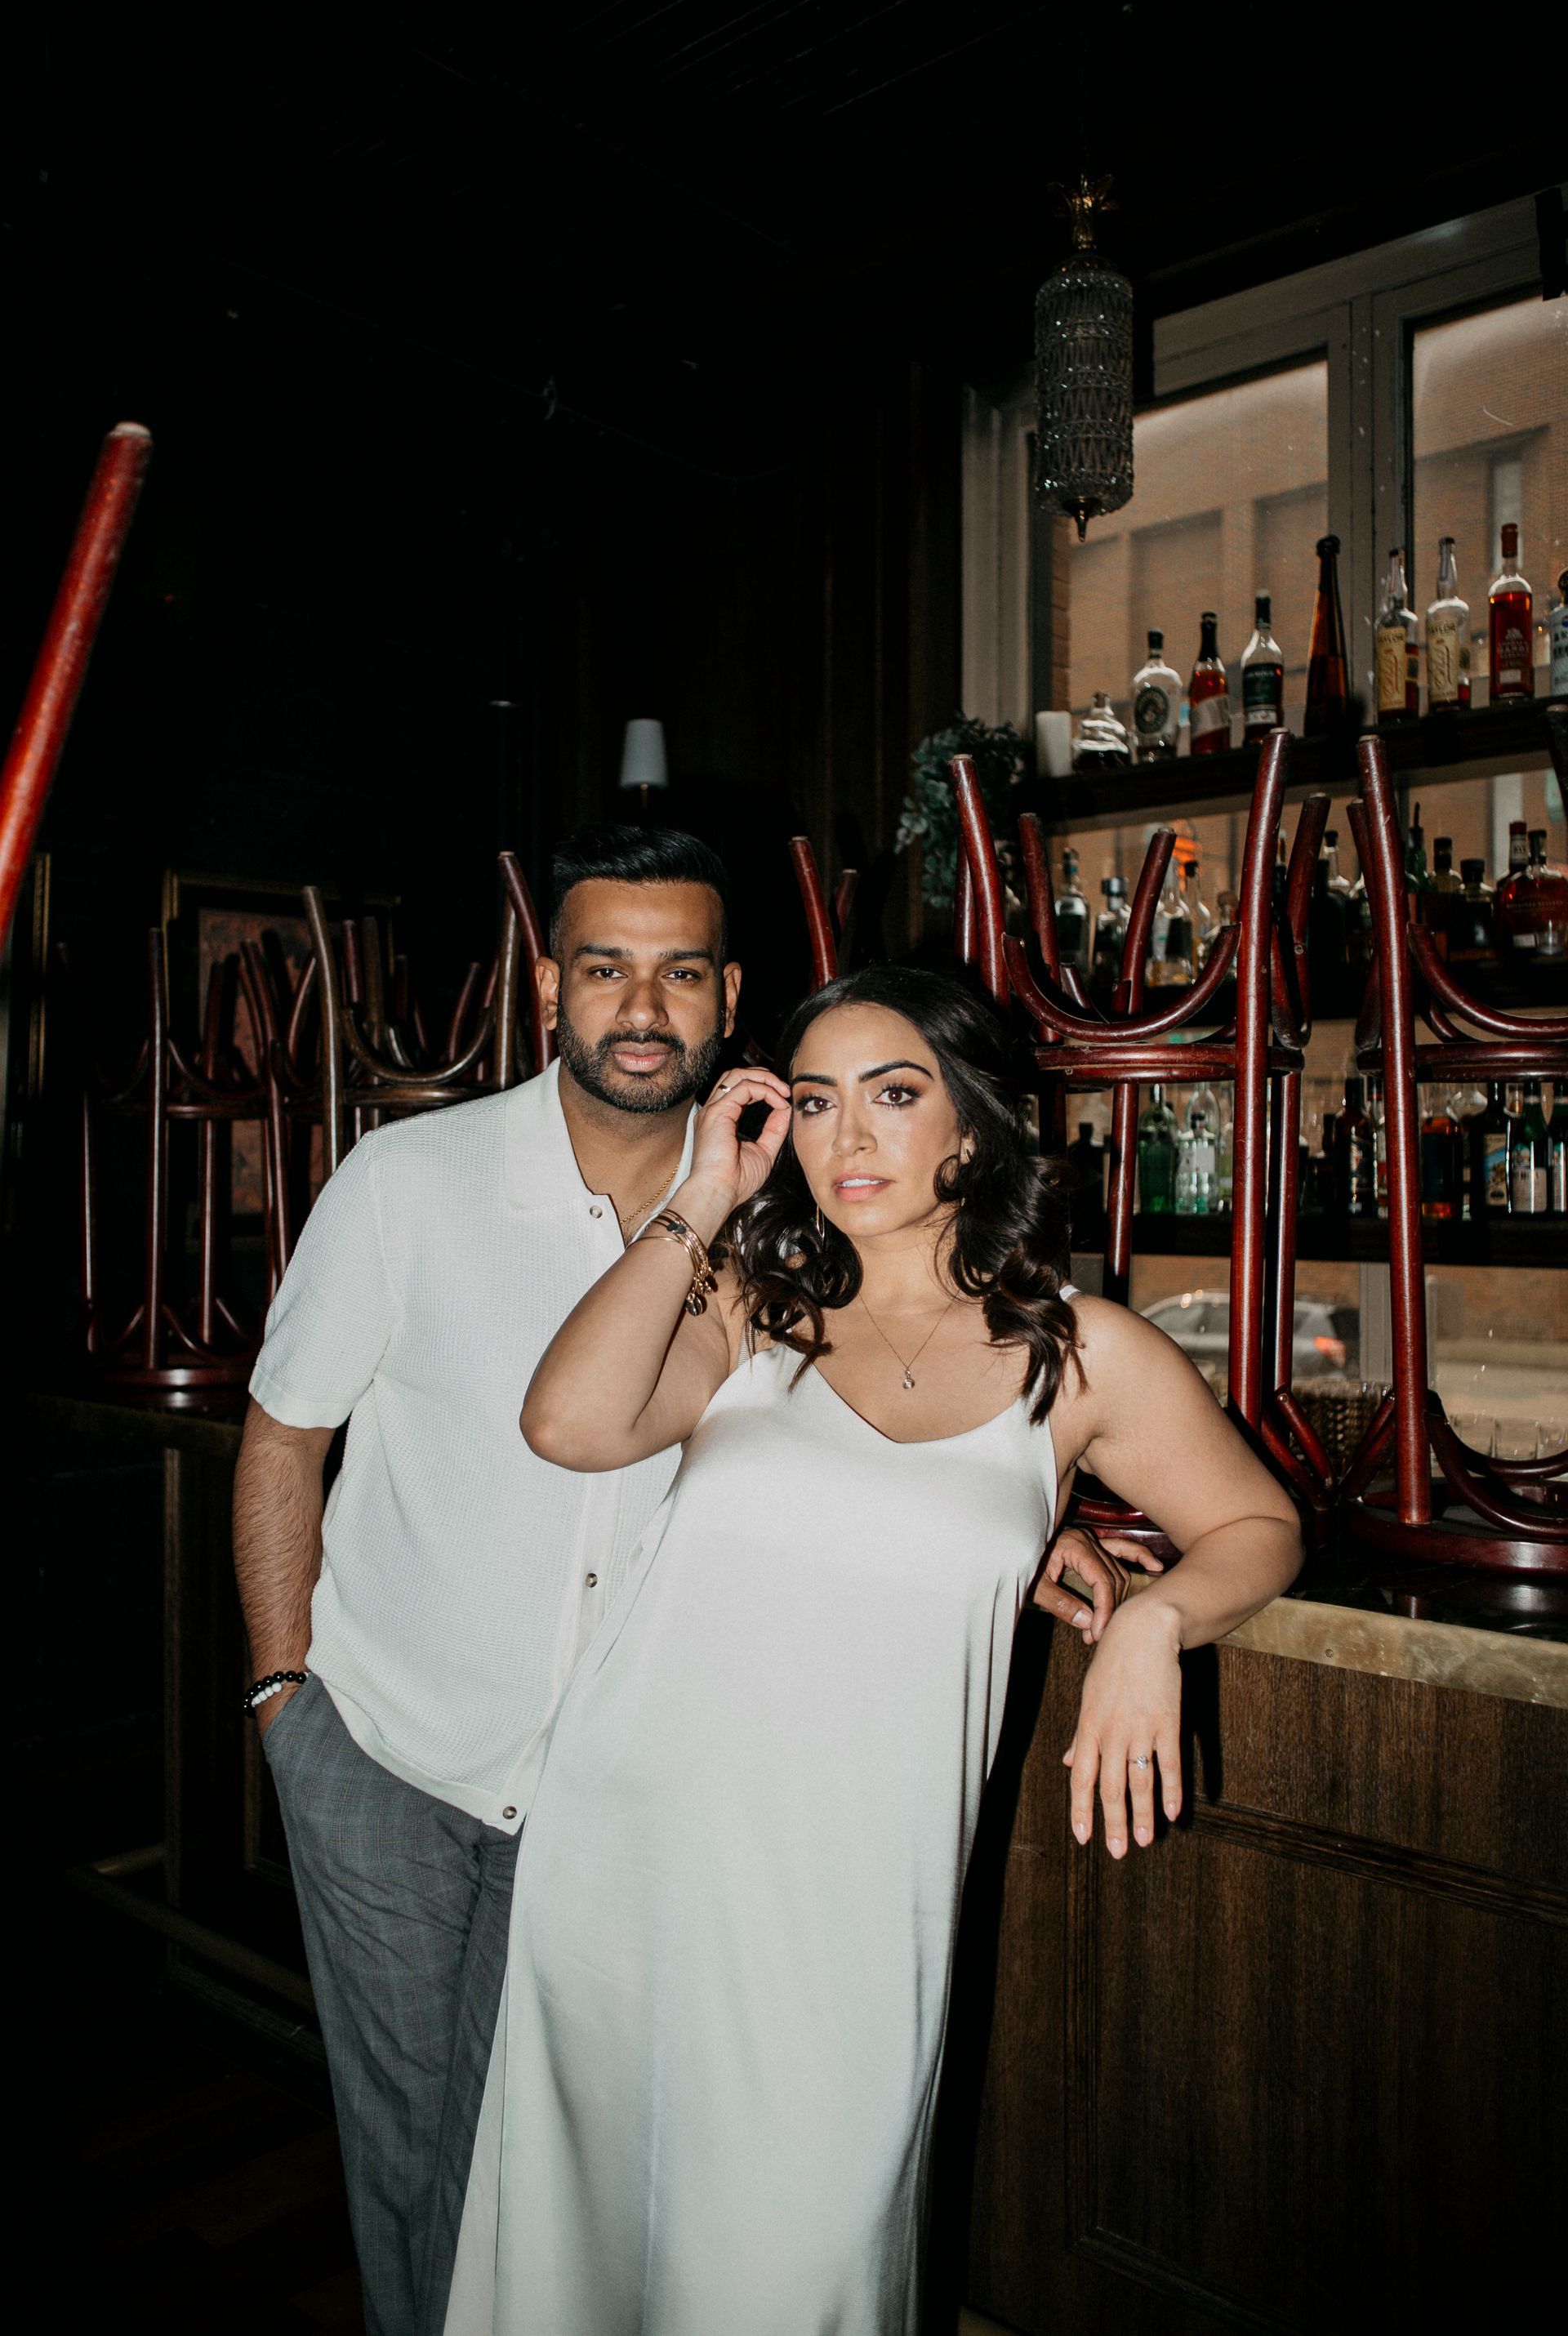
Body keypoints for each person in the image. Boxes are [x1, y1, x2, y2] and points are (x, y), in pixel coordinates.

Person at [444, 963, 1303, 2336]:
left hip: (851, 1913)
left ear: (968, 1126)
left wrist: (1155, 1617)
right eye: (817, 1102)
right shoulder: (752, 1306)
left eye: (893, 1097)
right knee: (587, 2272)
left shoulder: (1077, 1358)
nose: (847, 1139)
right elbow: (568, 1421)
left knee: (803, 2270)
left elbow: (1258, 1523)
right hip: (629, 1869)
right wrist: (704, 1197)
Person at [230, 823, 747, 2336]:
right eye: (605, 968)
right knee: (414, 2176)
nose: (641, 1007)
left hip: (618, 1792)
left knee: (566, 2187)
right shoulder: (407, 1181)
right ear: (547, 987)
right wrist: (281, 1695)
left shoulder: (769, 1218)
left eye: (679, 972)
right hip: (387, 1760)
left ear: (728, 995)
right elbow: (282, 1438)